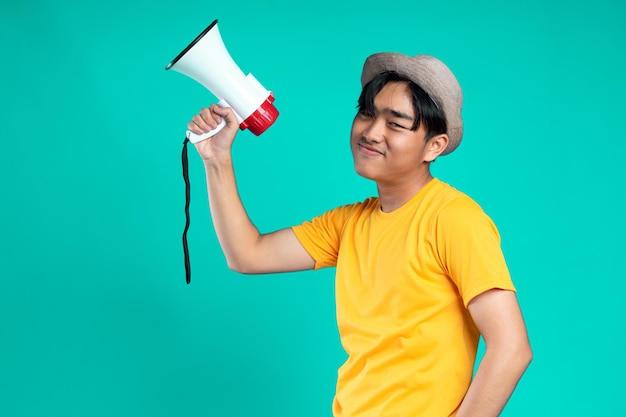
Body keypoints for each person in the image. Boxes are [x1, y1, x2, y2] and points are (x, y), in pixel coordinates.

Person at [187, 52, 532, 417]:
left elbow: (511, 348)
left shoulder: (454, 218)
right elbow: (247, 254)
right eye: (367, 113)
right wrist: (216, 158)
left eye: (396, 124)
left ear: (434, 146)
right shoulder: (350, 223)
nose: (371, 132)